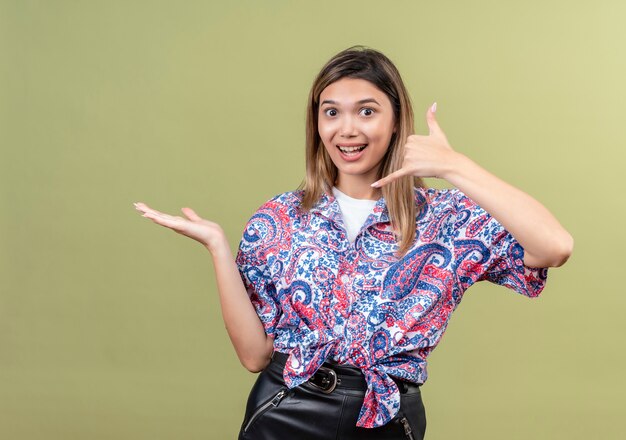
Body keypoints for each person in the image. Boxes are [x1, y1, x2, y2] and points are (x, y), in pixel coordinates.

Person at [134, 46, 573, 439]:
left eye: (366, 111)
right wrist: (217, 247)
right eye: (331, 112)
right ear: (317, 123)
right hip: (286, 409)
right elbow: (254, 355)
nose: (347, 129)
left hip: (387, 419)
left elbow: (554, 245)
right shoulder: (279, 218)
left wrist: (456, 166)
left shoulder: (447, 218)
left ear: (397, 118)